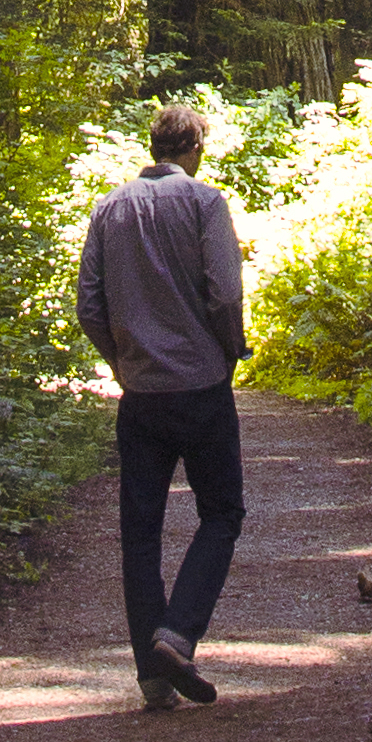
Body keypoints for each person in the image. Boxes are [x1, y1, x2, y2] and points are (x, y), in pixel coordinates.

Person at [74, 96, 245, 710]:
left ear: (154, 149)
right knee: (222, 513)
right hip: (201, 387)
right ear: (195, 148)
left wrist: (122, 362)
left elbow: (89, 307)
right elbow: (225, 293)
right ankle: (178, 632)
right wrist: (229, 352)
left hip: (141, 395)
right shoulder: (203, 202)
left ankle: (152, 676)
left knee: (139, 531)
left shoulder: (109, 208)